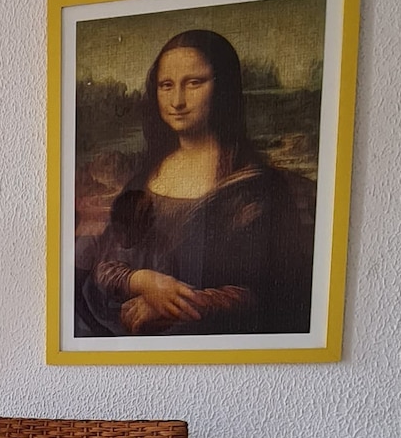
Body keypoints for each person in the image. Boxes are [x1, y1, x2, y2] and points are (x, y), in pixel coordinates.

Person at [76, 27, 314, 338]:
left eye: (194, 83)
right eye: (166, 85)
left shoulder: (257, 188)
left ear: (223, 88)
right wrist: (142, 281)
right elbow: (104, 263)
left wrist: (177, 305)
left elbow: (277, 291)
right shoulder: (144, 178)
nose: (177, 100)